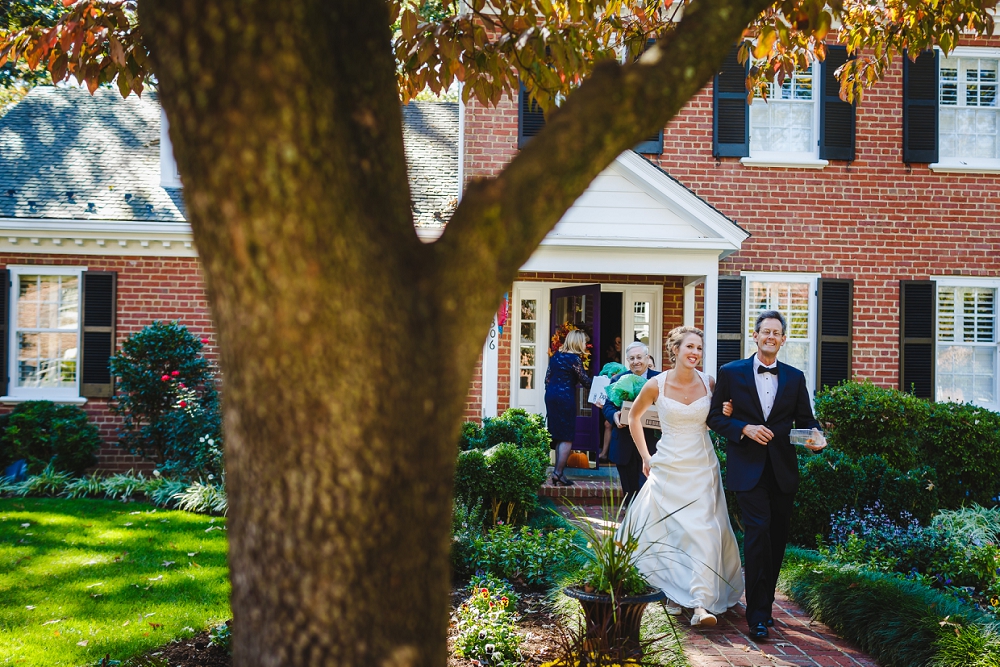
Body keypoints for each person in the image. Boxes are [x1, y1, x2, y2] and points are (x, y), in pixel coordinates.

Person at [707, 310, 827, 640]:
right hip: (748, 470)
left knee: (775, 539)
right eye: (765, 331)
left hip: (782, 471)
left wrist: (817, 438)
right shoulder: (731, 372)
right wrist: (743, 427)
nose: (771, 336)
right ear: (756, 336)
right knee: (758, 533)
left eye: (777, 332)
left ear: (783, 339)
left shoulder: (795, 377)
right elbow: (715, 418)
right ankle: (757, 616)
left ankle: (766, 603)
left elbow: (807, 420)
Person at [619, 327, 742, 627]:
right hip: (669, 465)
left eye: (699, 348)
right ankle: (675, 592)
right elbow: (633, 417)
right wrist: (646, 457)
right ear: (674, 350)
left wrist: (726, 411)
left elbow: (714, 422)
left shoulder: (710, 382)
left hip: (702, 466)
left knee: (703, 531)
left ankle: (700, 604)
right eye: (690, 347)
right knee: (671, 531)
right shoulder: (655, 384)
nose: (695, 353)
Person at [602, 341, 660, 505]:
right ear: (627, 360)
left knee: (648, 491)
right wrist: (615, 417)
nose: (636, 361)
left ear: (647, 358)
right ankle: (631, 526)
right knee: (630, 493)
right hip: (624, 445)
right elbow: (607, 406)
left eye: (639, 357)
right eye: (632, 358)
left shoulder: (659, 379)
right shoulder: (618, 379)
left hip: (651, 444)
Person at [544, 329, 592, 486]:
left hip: (551, 396)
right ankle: (557, 473)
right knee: (567, 436)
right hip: (565, 397)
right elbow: (585, 381)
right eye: (584, 342)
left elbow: (547, 379)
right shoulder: (575, 359)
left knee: (558, 434)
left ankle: (560, 472)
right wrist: (604, 382)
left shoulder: (556, 356)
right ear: (578, 342)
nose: (586, 345)